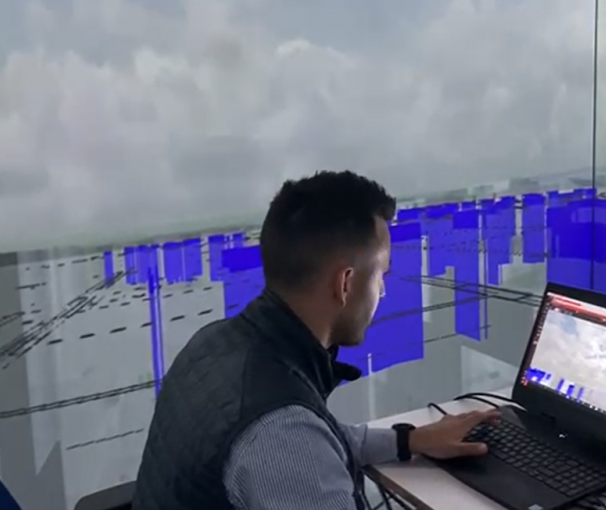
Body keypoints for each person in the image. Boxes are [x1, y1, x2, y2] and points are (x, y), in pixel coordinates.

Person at [132, 170, 498, 510]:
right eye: (381, 275)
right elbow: (295, 445)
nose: (383, 291)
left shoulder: (216, 342)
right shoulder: (283, 431)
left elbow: (321, 438)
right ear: (345, 283)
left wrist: (412, 440)